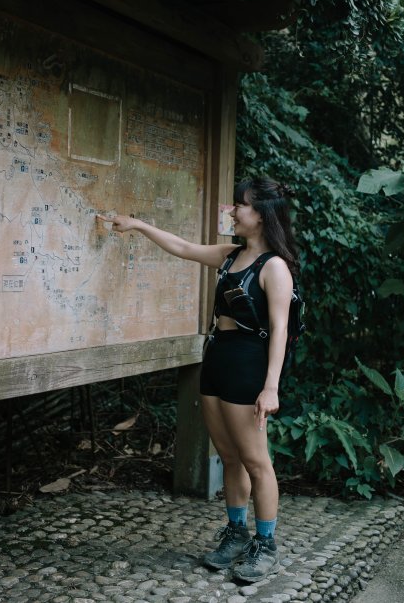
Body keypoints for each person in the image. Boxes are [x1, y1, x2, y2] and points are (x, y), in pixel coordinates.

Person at [97, 177, 299, 582]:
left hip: (248, 364)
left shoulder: (274, 267)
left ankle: (266, 544)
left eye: (239, 206)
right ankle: (237, 533)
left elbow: (280, 329)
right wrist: (136, 225)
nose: (232, 212)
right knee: (228, 457)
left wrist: (271, 386)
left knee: (256, 461)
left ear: (260, 214)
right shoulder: (231, 255)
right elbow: (185, 249)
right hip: (218, 359)